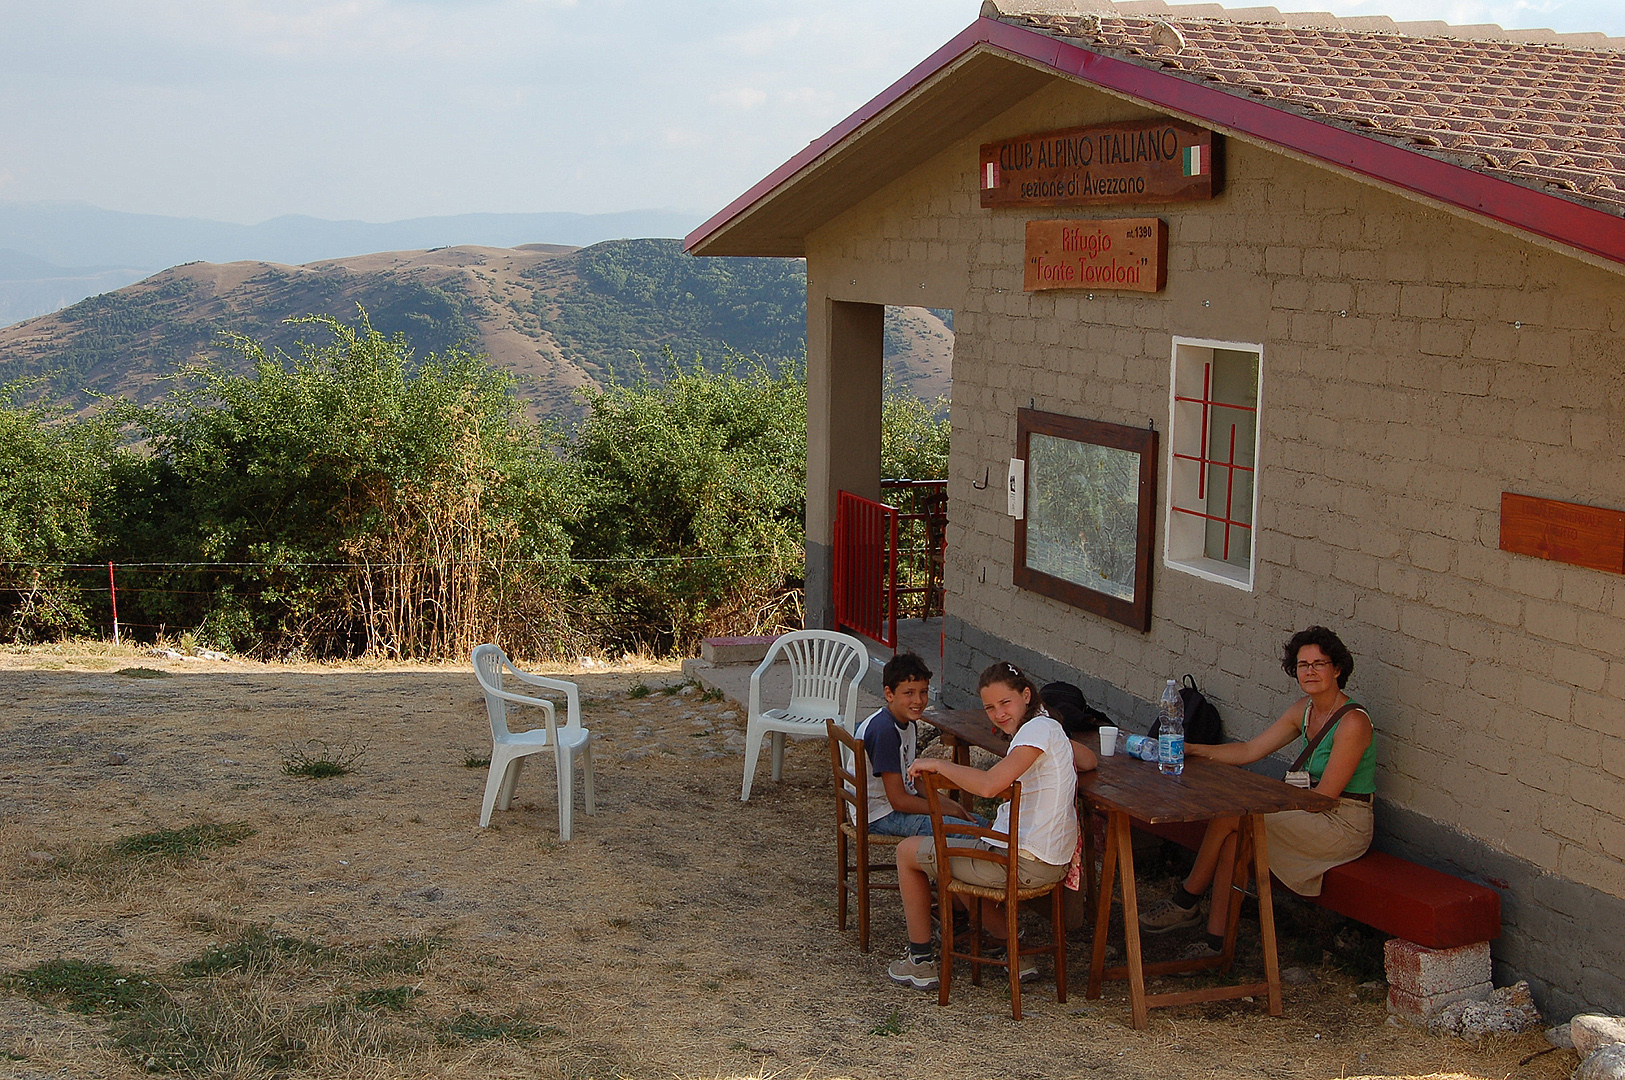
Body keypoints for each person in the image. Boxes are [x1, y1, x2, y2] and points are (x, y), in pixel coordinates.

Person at [1138, 626, 1376, 963]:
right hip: (1308, 811)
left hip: (1341, 823)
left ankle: (1186, 900)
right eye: (1302, 665)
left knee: (1233, 816)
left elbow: (1324, 797)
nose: (1309, 672)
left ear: (1337, 669)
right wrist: (1192, 749)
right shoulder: (1304, 710)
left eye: (1319, 664)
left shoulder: (1352, 722)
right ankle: (1215, 945)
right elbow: (1250, 750)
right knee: (1235, 836)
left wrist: (1266, 801)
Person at [886, 661, 1085, 990]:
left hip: (1025, 862)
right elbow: (1088, 760)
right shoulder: (1047, 727)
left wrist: (938, 764)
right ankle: (1015, 954)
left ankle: (919, 960)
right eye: (990, 708)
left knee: (908, 852)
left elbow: (990, 786)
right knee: (963, 855)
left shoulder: (1035, 732)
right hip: (1043, 858)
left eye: (1005, 703)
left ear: (1025, 695)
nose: (998, 714)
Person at [852, 652, 979, 837]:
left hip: (892, 806)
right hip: (879, 815)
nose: (918, 701)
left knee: (983, 825)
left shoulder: (907, 723)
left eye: (924, 692)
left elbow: (911, 780)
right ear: (889, 694)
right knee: (970, 833)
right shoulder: (884, 731)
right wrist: (947, 810)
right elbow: (899, 801)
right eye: (909, 693)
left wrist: (951, 805)